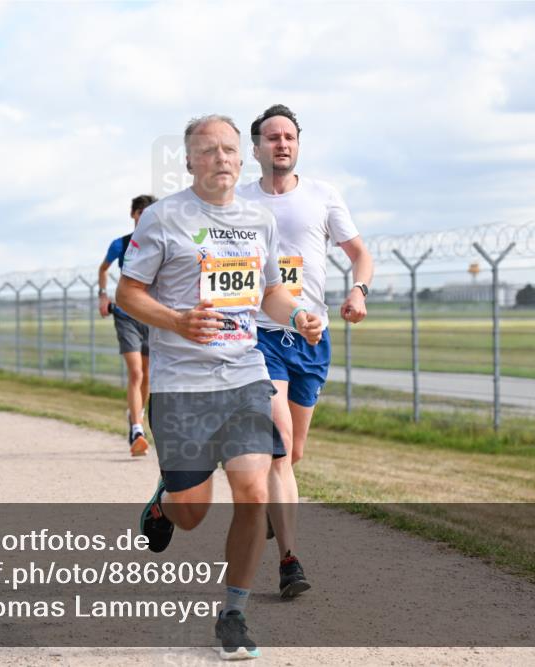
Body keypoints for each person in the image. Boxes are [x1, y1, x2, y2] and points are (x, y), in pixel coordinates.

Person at [116, 114, 322, 660]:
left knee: (253, 492)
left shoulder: (259, 220)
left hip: (244, 375)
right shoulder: (163, 218)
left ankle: (233, 614)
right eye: (208, 150)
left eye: (229, 149)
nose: (221, 158)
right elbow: (127, 293)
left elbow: (270, 292)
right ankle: (165, 503)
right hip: (182, 384)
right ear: (188, 161)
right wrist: (176, 321)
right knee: (192, 514)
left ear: (242, 156)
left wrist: (297, 314)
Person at [239, 104, 374, 599]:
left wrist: (359, 291)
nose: (282, 144)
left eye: (289, 137)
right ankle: (289, 561)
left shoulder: (322, 195)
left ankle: (274, 511)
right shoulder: (239, 201)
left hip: (312, 336)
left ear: (297, 144)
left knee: (293, 452)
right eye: (272, 137)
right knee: (279, 443)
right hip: (260, 334)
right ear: (256, 148)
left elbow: (360, 254)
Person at [98, 194, 157, 456]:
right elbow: (103, 269)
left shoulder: (160, 243)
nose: (145, 217)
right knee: (136, 373)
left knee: (147, 375)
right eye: (141, 212)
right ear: (133, 215)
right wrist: (103, 295)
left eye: (149, 213)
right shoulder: (121, 244)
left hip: (151, 315)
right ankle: (136, 430)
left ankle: (136, 413)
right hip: (126, 314)